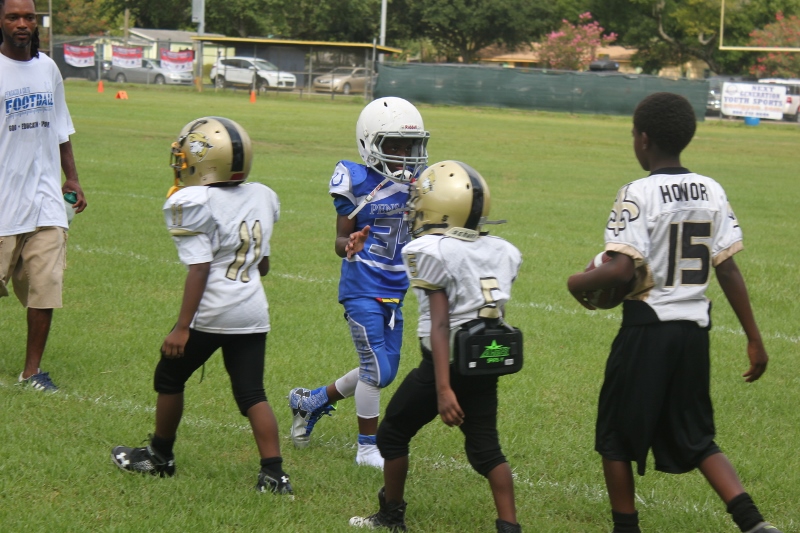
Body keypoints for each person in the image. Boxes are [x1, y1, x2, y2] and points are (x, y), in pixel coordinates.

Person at [567, 92, 781, 533]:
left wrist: (576, 282)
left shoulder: (637, 192)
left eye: (633, 134)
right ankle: (753, 523)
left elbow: (621, 268)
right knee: (697, 436)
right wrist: (754, 338)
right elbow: (728, 268)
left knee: (615, 437)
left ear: (644, 139)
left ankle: (626, 528)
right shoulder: (711, 189)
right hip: (693, 332)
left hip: (647, 329)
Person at [110, 117, 292, 495]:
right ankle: (274, 475)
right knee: (252, 393)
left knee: (169, 377)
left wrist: (182, 327)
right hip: (252, 310)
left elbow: (200, 268)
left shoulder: (194, 201)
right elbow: (263, 266)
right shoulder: (262, 195)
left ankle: (160, 456)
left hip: (213, 311)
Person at [350, 161, 523, 533]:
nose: (416, 208)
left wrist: (443, 388)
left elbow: (441, 324)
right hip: (483, 360)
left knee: (392, 433)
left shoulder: (432, 249)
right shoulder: (501, 249)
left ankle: (391, 516)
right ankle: (510, 527)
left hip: (443, 364)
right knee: (486, 450)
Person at [287, 97, 430, 469]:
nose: (403, 154)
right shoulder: (357, 180)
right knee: (375, 371)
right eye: (394, 145)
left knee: (384, 372)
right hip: (362, 287)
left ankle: (311, 401)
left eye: (409, 145)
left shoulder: (419, 184)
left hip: (395, 291)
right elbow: (339, 240)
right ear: (370, 143)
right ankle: (368, 448)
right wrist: (349, 244)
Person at [0, 0, 87, 392]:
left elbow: (60, 128)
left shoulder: (48, 68)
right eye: (13, 17)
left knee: (46, 285)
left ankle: (32, 372)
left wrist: (72, 178)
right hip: (4, 203)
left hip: (46, 200)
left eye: (29, 17)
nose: (22, 23)